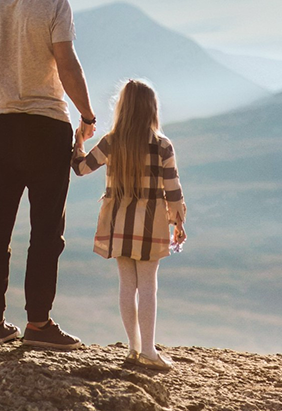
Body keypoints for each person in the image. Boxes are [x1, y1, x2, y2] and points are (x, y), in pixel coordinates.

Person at [0, 0, 96, 350]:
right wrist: (88, 113)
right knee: (45, 231)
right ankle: (38, 325)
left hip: (1, 125)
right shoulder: (55, 1)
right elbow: (67, 63)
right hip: (46, 126)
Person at [72, 79, 188, 371]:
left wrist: (78, 144)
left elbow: (81, 168)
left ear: (122, 108)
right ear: (152, 108)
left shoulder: (112, 141)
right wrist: (178, 222)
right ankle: (149, 350)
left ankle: (134, 348)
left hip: (118, 220)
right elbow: (173, 190)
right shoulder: (162, 145)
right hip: (151, 221)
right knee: (148, 285)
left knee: (127, 284)